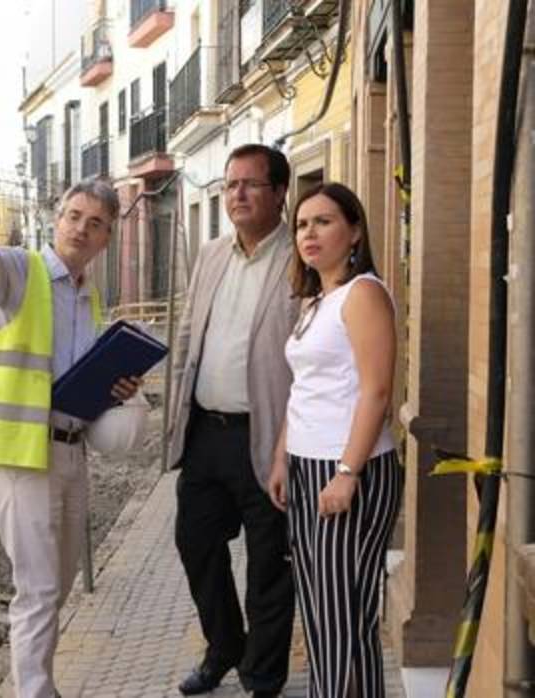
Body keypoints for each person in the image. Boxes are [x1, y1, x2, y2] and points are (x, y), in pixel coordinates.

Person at [0, 179, 142, 698]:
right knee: (37, 590)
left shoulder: (90, 295)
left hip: (69, 451)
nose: (81, 228)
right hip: (21, 453)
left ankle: (40, 685)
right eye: (73, 216)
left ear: (107, 237)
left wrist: (117, 386)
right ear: (56, 219)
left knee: (57, 585)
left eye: (95, 222)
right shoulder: (22, 269)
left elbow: (77, 375)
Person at [167, 144, 300, 697]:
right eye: (230, 185)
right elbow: (188, 336)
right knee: (194, 541)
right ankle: (224, 645)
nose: (237, 195)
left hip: (268, 438)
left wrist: (291, 449)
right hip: (206, 433)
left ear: (278, 193)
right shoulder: (212, 255)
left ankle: (263, 676)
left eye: (250, 184)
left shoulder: (302, 256)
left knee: (269, 565)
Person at [267, 182, 402, 698]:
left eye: (323, 221)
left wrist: (348, 474)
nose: (309, 233)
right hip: (307, 466)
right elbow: (304, 389)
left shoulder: (363, 293)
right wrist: (282, 458)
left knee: (345, 616)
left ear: (355, 231)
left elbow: (377, 390)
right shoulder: (316, 302)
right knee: (324, 617)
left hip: (349, 469)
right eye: (302, 224)